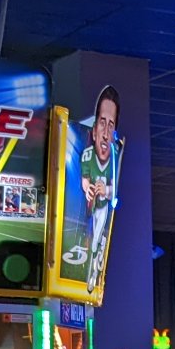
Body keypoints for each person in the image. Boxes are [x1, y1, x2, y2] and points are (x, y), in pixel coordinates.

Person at [73, 85, 124, 295]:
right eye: (102, 122)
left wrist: (107, 191)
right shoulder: (87, 155)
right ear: (94, 131)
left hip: (103, 206)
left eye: (111, 125)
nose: (106, 132)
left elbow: (114, 192)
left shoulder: (115, 158)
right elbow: (85, 180)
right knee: (90, 233)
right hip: (92, 204)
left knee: (95, 238)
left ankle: (94, 271)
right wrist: (88, 189)